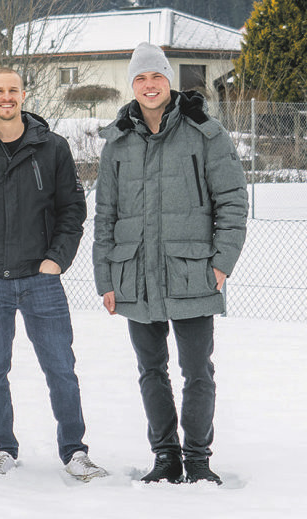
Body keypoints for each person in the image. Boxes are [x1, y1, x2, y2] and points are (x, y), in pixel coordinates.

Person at [0, 68, 107, 481]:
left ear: (24, 95)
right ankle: (2, 449)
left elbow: (72, 212)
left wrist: (56, 261)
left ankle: (75, 451)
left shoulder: (52, 148)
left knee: (61, 367)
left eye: (13, 90)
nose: (7, 97)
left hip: (41, 278)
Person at [93, 42, 248, 485]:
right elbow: (106, 215)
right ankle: (166, 457)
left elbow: (233, 201)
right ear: (132, 85)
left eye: (156, 76)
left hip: (193, 271)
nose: (149, 85)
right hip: (134, 274)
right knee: (150, 370)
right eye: (140, 78)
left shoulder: (205, 132)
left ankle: (198, 459)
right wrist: (106, 276)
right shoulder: (117, 141)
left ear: (168, 80)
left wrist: (222, 262)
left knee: (197, 371)